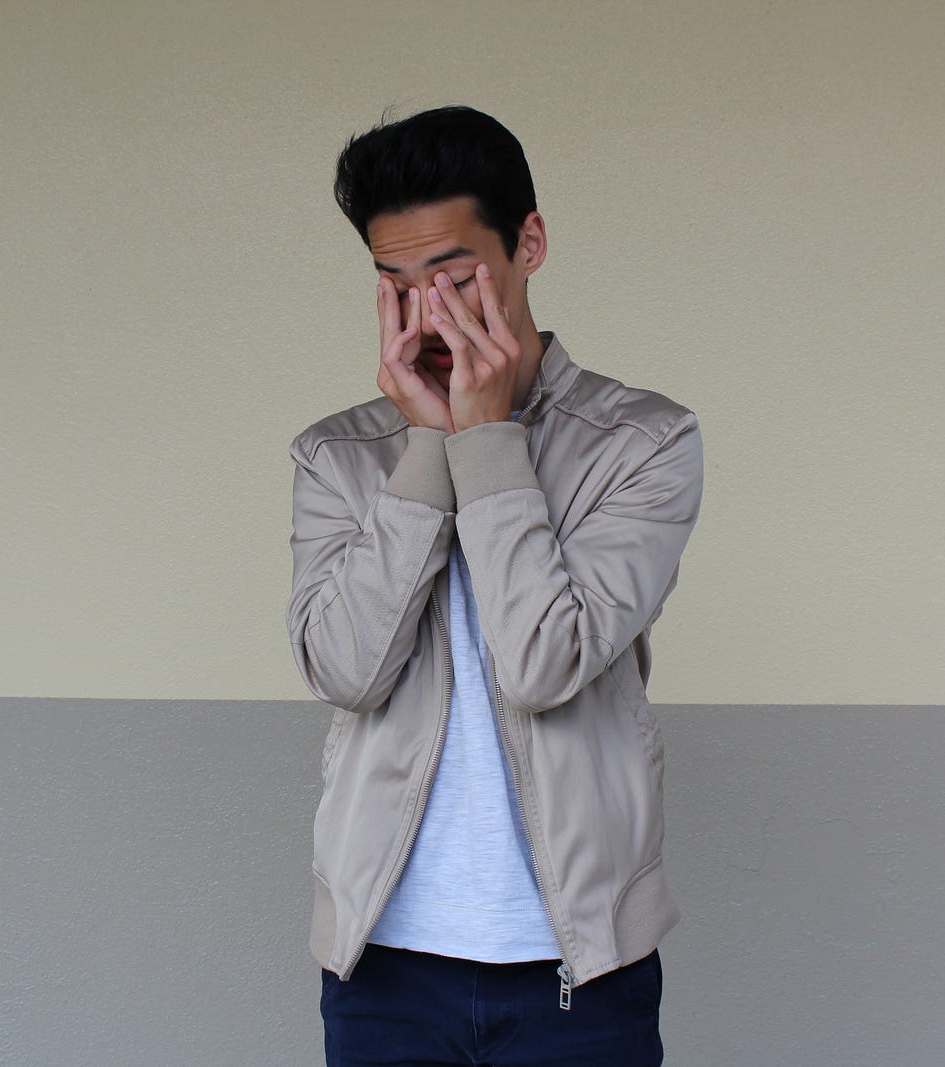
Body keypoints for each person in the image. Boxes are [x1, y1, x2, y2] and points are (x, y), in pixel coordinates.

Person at [287, 105, 704, 1067]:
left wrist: (483, 439)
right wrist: (425, 447)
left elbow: (542, 663)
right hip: (383, 963)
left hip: (578, 966)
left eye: (455, 277)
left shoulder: (642, 443)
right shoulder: (337, 456)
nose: (429, 317)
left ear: (530, 244)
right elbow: (346, 670)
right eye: (398, 288)